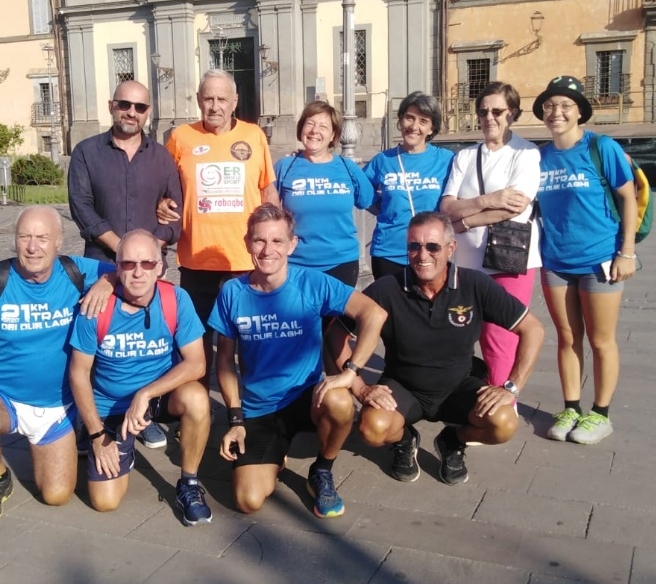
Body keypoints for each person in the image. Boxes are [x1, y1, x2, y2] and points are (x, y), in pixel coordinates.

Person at [208, 204, 387, 518]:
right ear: (247, 243)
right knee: (248, 501)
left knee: (340, 401)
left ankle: (322, 470)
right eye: (259, 240)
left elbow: (374, 313)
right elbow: (223, 361)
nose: (268, 250)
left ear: (291, 245)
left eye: (277, 241)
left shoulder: (312, 283)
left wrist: (351, 372)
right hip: (260, 407)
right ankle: (275, 455)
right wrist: (235, 419)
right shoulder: (232, 292)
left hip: (307, 397)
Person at [0, 206, 113, 524]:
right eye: (24, 237)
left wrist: (108, 281)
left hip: (57, 408)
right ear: (15, 240)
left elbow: (132, 270)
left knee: (57, 495)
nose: (33, 247)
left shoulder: (76, 271)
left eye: (42, 238)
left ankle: (59, 442)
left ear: (58, 242)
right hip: (2, 397)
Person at [352, 211, 544, 486]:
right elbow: (336, 334)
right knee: (372, 428)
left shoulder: (474, 284)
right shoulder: (386, 289)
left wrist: (511, 387)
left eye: (433, 246)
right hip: (404, 387)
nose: (422, 255)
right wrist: (359, 387)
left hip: (458, 386)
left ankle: (453, 440)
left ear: (451, 248)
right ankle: (405, 441)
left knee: (503, 424)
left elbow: (533, 330)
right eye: (414, 246)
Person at [68, 79, 183, 450]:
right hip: (101, 265)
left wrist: (145, 253)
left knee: (143, 343)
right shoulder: (87, 152)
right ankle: (93, 419)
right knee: (98, 343)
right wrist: (123, 251)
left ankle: (143, 415)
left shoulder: (162, 158)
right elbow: (81, 208)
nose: (131, 112)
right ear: (111, 106)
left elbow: (176, 219)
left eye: (140, 107)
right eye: (124, 105)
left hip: (146, 270)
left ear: (148, 112)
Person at [69, 229, 213, 526]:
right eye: (128, 264)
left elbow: (197, 364)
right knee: (105, 502)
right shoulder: (95, 306)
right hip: (111, 404)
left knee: (197, 398)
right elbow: (78, 373)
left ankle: (189, 483)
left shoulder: (176, 299)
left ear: (160, 267)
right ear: (116, 268)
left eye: (147, 263)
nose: (138, 272)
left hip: (159, 397)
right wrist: (96, 435)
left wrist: (145, 394)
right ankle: (125, 448)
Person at [533, 75, 637, 444]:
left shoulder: (601, 147)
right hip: (555, 261)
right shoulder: (539, 157)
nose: (556, 112)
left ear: (580, 112)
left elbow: (628, 198)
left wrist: (627, 252)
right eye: (550, 106)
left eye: (565, 105)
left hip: (599, 260)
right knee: (567, 337)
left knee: (601, 339)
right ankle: (572, 408)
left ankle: (601, 414)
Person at [159, 69, 279, 385]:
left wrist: (275, 245)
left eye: (222, 99)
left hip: (244, 262)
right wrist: (161, 203)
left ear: (234, 101)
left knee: (249, 342)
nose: (215, 106)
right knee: (197, 346)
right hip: (196, 261)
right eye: (208, 98)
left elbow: (268, 191)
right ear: (199, 100)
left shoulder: (254, 136)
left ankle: (254, 406)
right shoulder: (180, 138)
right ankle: (197, 404)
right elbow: (163, 187)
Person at [440, 81, 542, 387]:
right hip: (468, 259)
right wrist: (489, 199)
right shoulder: (465, 156)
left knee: (501, 332)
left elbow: (514, 208)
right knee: (468, 329)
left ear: (512, 113)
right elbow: (447, 207)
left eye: (497, 111)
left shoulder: (525, 153)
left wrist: (467, 221)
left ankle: (503, 399)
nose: (489, 118)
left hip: (509, 255)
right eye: (483, 111)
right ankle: (476, 393)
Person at [274, 101, 374, 288]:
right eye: (310, 123)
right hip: (296, 264)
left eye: (323, 126)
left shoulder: (347, 167)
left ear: (333, 135)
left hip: (342, 263)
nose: (314, 131)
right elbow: (268, 211)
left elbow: (368, 200)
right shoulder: (284, 167)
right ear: (301, 128)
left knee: (339, 309)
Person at [363, 92, 453, 280]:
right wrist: (383, 209)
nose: (414, 126)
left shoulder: (446, 160)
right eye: (409, 118)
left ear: (431, 128)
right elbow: (360, 191)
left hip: (431, 252)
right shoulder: (383, 160)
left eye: (423, 121)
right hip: (389, 252)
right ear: (401, 120)